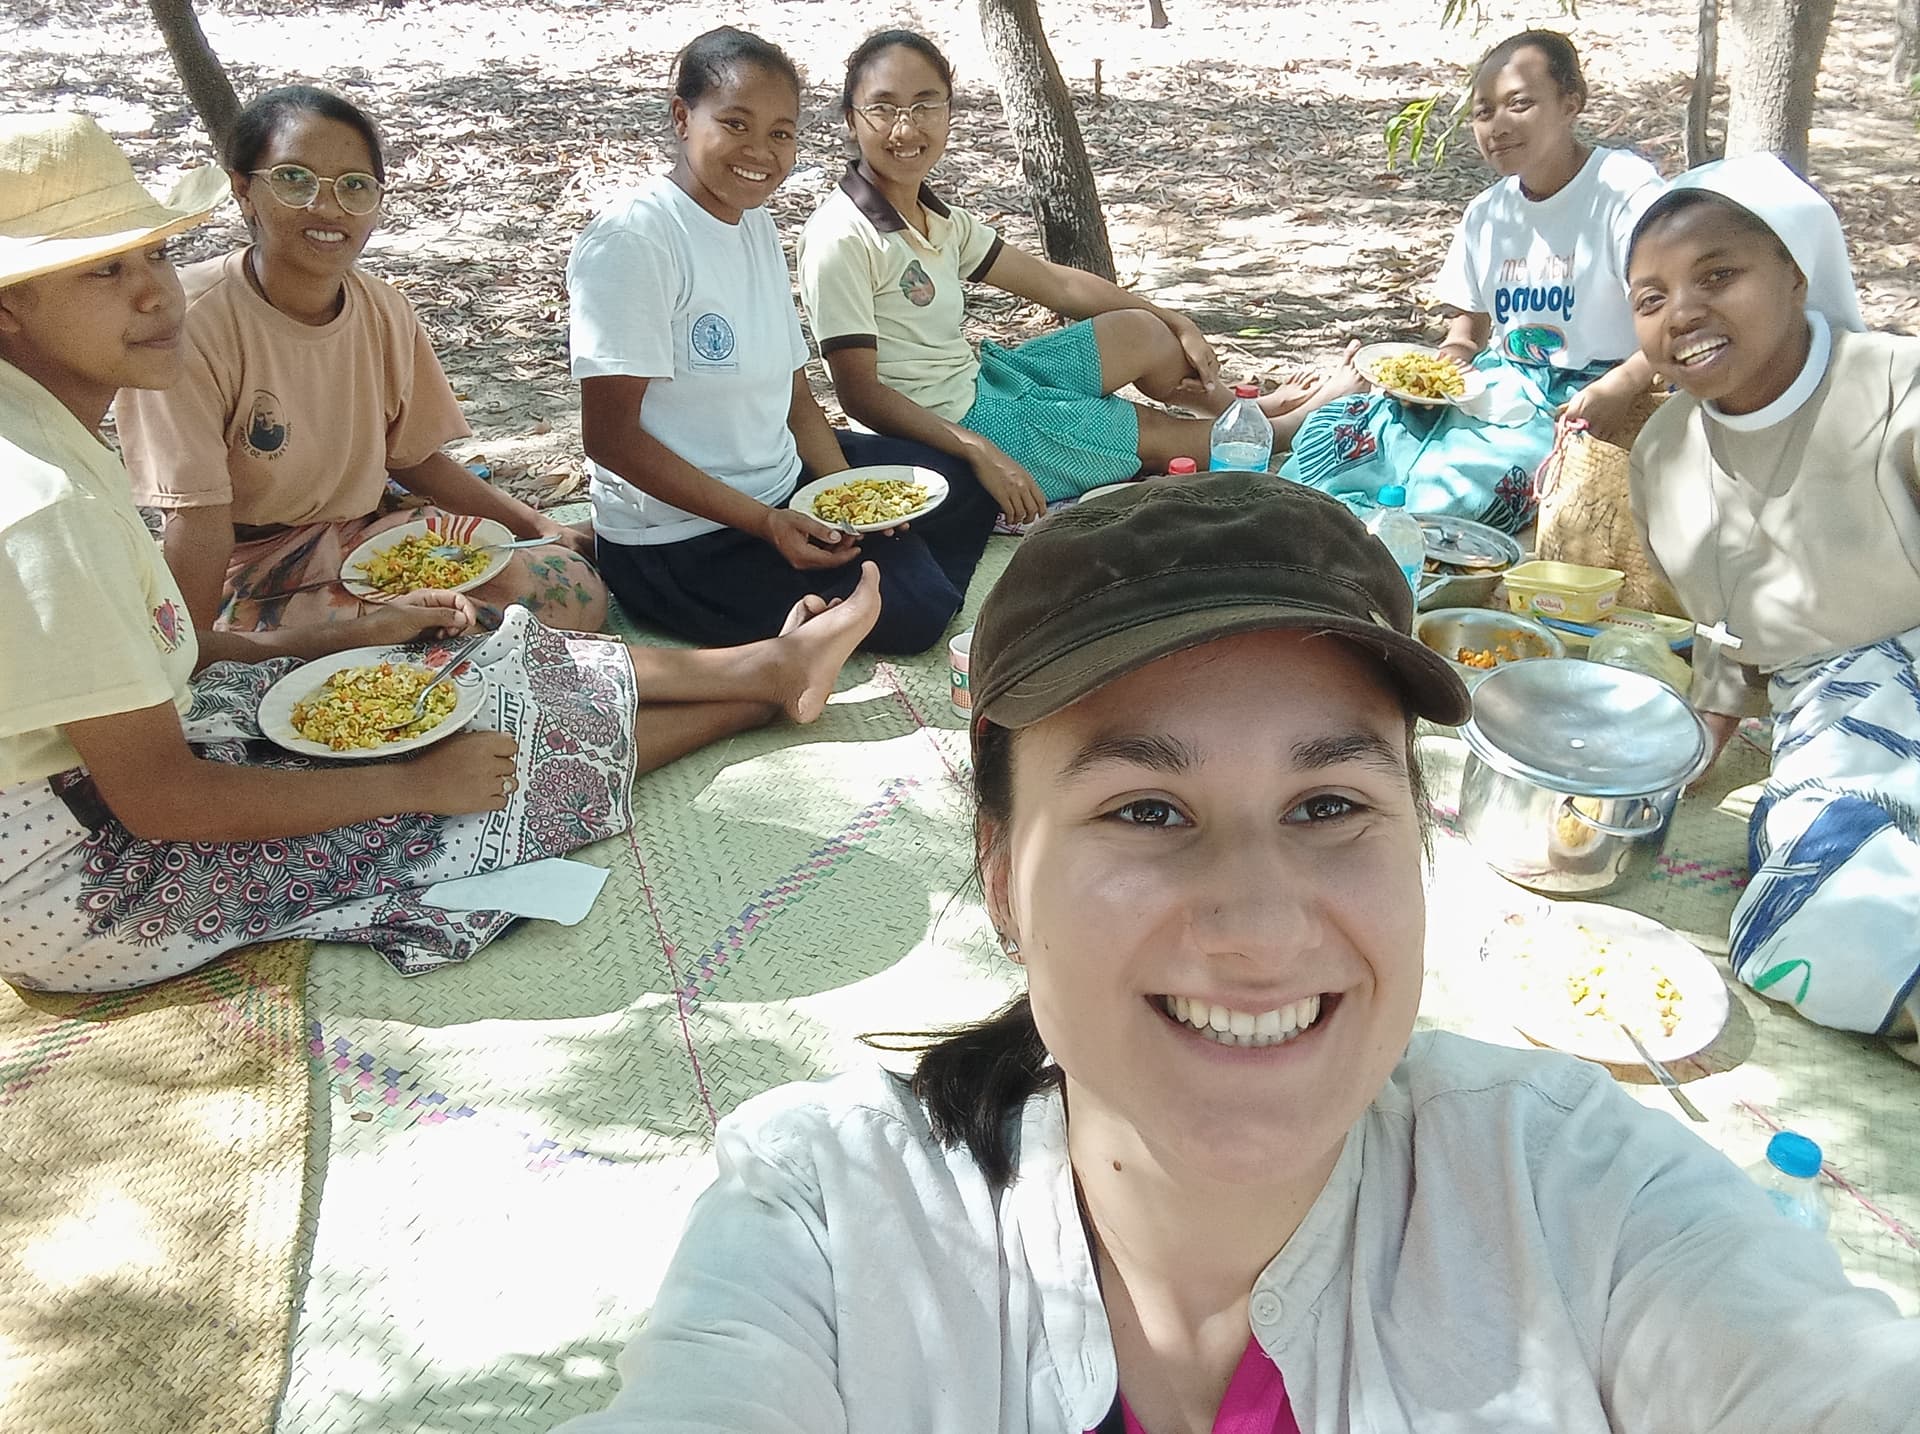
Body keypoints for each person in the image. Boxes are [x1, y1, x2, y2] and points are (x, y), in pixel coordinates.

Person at [556, 473, 1920, 1433]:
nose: (1262, 924)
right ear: (1001, 876)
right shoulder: (830, 1220)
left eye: (1330, 806)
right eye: (1147, 810)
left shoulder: (1577, 1193)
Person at [0, 112, 884, 992]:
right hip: (85, 881)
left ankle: (763, 669)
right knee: (463, 791)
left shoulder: (51, 437)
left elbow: (175, 658)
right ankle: (759, 695)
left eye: (154, 254)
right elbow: (162, 800)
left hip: (129, 760)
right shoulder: (43, 508)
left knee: (438, 671)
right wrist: (415, 787)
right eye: (103, 270)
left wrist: (330, 640)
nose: (155, 292)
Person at [114, 85, 607, 635]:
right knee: (357, 651)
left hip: (374, 536)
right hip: (258, 563)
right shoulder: (190, 326)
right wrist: (189, 651)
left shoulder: (381, 308)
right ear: (243, 190)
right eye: (295, 180)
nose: (327, 208)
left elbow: (413, 458)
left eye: (354, 186)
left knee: (571, 588)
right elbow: (197, 520)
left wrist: (535, 523)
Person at [569, 27, 999, 656]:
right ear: (683, 117)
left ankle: (881, 563)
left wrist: (848, 496)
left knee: (962, 480)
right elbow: (609, 438)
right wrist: (768, 523)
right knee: (920, 610)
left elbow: (795, 395)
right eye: (736, 124)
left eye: (781, 133)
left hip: (781, 482)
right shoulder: (634, 242)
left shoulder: (755, 224)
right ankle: (878, 583)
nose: (761, 152)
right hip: (684, 539)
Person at [797, 30, 1354, 513]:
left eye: (925, 105)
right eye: (884, 107)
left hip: (981, 382)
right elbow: (859, 396)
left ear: (949, 110)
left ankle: (1234, 410)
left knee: (1141, 330)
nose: (906, 128)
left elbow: (1055, 282)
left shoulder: (936, 217)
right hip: (948, 430)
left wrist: (1174, 317)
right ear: (851, 117)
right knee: (1152, 434)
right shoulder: (841, 238)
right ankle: (1279, 433)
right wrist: (977, 449)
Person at [1626, 152, 1920, 1060]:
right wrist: (1691, 741)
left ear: (1796, 274)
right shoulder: (1664, 453)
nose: (1685, 314)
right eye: (1651, 297)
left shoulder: (1897, 391)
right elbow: (1724, 634)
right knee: (1805, 902)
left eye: (1719, 275)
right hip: (1833, 712)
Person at [1282, 30, 1663, 532]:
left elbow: (1675, 316)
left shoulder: (1623, 191)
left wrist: (1625, 383)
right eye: (1483, 113)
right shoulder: (1488, 213)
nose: (1497, 126)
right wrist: (1434, 375)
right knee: (1353, 430)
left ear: (1572, 102)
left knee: (1457, 484)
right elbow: (1466, 336)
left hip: (1580, 397)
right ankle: (1323, 529)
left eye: (1519, 104)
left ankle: (1397, 542)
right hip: (1499, 385)